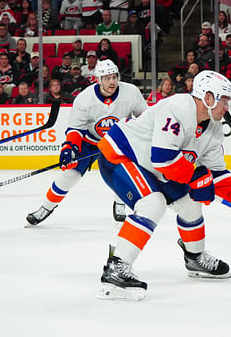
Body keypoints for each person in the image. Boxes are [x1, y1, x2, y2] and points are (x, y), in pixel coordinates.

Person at [95, 71, 231, 300]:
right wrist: (196, 177)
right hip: (121, 156)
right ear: (208, 97)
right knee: (152, 203)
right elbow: (163, 158)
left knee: (191, 204)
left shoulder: (213, 128)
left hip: (154, 168)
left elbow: (216, 173)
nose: (227, 107)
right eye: (224, 100)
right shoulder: (177, 108)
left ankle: (195, 259)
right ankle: (116, 269)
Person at [26, 60, 147, 227]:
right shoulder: (84, 99)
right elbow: (76, 128)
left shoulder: (131, 92)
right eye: (107, 78)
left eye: (114, 77)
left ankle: (119, 203)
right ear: (98, 79)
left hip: (117, 141)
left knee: (123, 174)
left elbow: (144, 117)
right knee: (70, 175)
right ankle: (46, 207)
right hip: (90, 141)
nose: (112, 82)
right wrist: (69, 147)